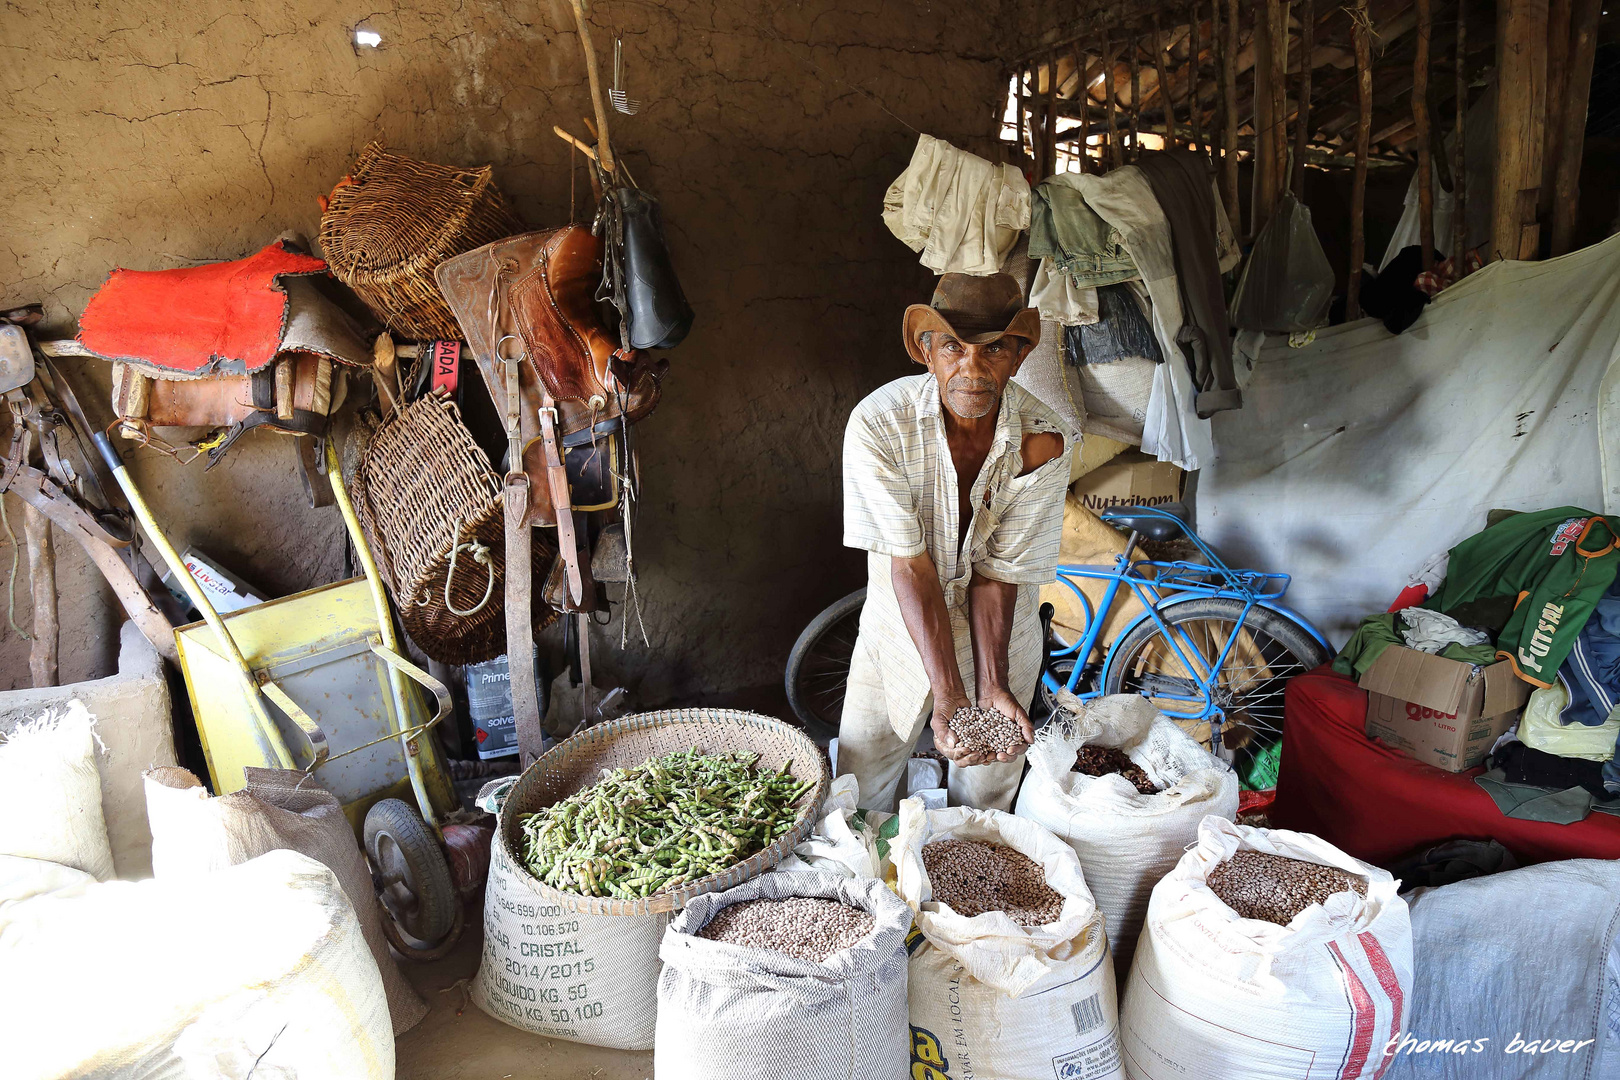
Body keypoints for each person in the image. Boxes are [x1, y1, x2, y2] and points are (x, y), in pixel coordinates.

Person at [838, 272, 1071, 811]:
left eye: (993, 351)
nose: (972, 369)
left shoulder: (1044, 438)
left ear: (1018, 356)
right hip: (898, 626)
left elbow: (999, 573)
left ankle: (967, 889)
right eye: (952, 348)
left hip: (1001, 636)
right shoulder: (879, 425)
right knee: (859, 784)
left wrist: (992, 687)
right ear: (927, 352)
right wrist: (949, 697)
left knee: (986, 796)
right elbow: (911, 567)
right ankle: (864, 889)